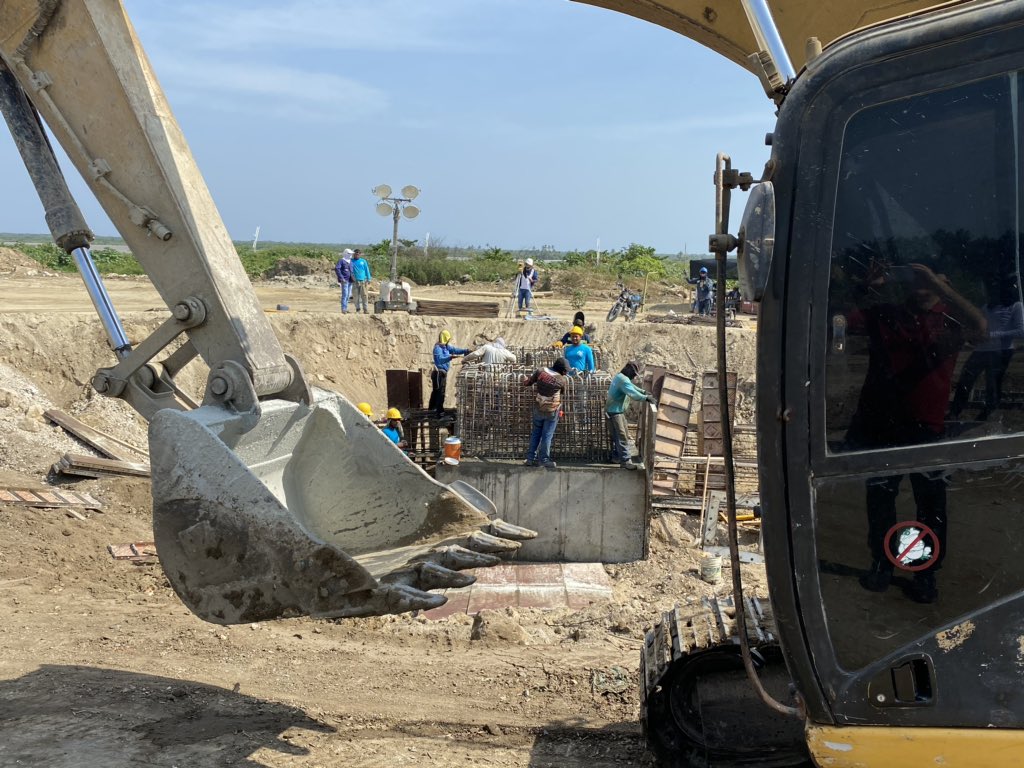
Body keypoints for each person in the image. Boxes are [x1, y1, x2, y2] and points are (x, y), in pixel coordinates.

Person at [844, 261, 986, 603]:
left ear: (945, 283)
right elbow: (836, 318)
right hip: (882, 426)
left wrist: (940, 286)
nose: (922, 287)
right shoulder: (887, 314)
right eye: (917, 280)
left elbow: (982, 330)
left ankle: (924, 572)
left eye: (931, 281)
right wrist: (867, 286)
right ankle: (882, 562)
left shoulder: (951, 319)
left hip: (928, 429)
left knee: (930, 506)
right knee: (880, 500)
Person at [948, 279, 1024, 421]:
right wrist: (974, 335)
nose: (990, 293)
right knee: (965, 379)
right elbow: (979, 326)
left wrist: (993, 335)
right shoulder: (985, 307)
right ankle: (954, 412)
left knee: (992, 384)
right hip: (981, 350)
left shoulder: (1016, 306)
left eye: (993, 290)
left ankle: (988, 414)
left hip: (1001, 351)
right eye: (989, 290)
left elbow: (1021, 331)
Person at [606, 361, 655, 470]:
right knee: (622, 436)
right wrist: (645, 398)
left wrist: (643, 391)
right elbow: (633, 394)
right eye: (634, 374)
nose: (633, 377)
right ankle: (625, 461)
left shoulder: (620, 377)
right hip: (615, 412)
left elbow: (632, 386)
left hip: (616, 411)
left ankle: (616, 456)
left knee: (620, 435)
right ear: (630, 371)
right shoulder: (623, 380)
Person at [521, 357, 569, 469]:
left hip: (538, 408)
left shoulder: (540, 371)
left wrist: (525, 380)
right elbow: (563, 392)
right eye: (565, 370)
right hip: (552, 411)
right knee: (547, 435)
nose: (566, 372)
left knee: (536, 433)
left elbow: (528, 383)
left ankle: (530, 458)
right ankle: (544, 460)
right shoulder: (561, 380)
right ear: (561, 370)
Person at [429, 330, 469, 415]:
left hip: (442, 373)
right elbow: (440, 360)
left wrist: (465, 350)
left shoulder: (446, 347)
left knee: (438, 391)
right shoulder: (437, 348)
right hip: (438, 373)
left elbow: (455, 350)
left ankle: (433, 409)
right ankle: (438, 411)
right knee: (439, 392)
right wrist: (450, 357)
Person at [351, 249, 372, 314]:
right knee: (356, 296)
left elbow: (367, 270)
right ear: (353, 254)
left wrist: (369, 278)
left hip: (363, 281)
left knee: (364, 295)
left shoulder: (363, 261)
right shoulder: (351, 261)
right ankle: (358, 309)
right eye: (356, 253)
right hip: (355, 281)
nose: (357, 254)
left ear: (360, 254)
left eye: (358, 253)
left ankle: (365, 309)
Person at [335, 249, 355, 313]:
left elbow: (352, 271)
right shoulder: (341, 261)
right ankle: (343, 309)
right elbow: (337, 268)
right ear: (346, 254)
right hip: (345, 280)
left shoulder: (350, 262)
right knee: (345, 294)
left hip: (350, 280)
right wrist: (341, 278)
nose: (351, 255)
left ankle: (346, 308)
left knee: (348, 295)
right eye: (349, 254)